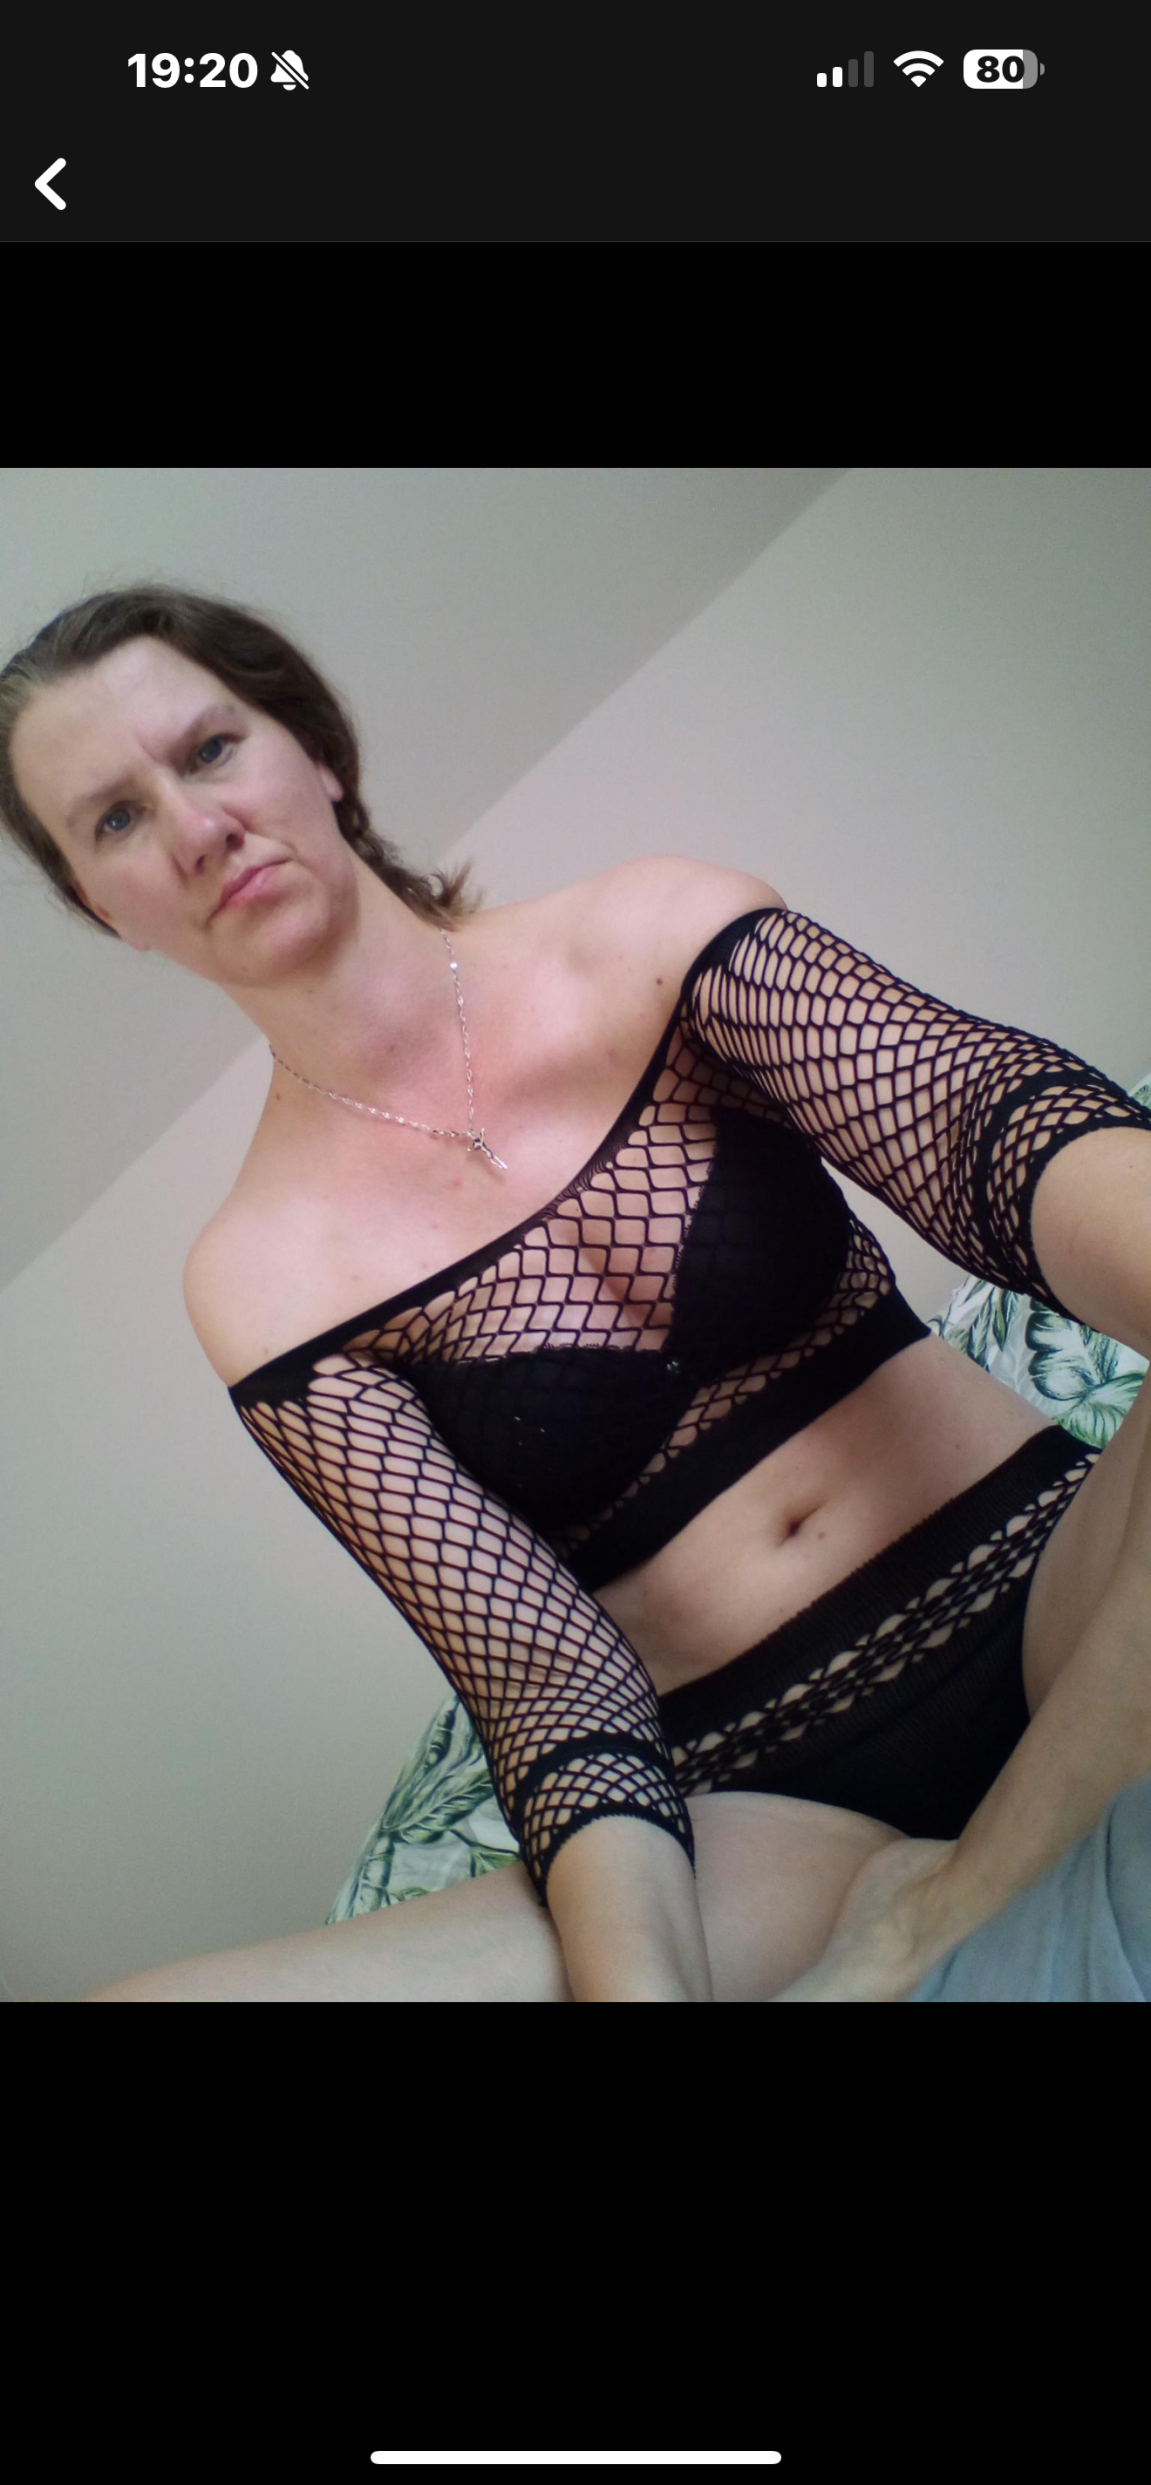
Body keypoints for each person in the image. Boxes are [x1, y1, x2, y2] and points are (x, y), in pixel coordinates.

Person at [5, 581, 1151, 2003]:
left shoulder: (653, 938)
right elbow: (550, 1690)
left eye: (210, 750)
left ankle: (951, 1906)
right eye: (115, 820)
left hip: (1062, 1601)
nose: (194, 828)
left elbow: (994, 1137)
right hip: (767, 1812)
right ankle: (923, 1895)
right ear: (101, 907)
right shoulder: (257, 1277)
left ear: (318, 751)